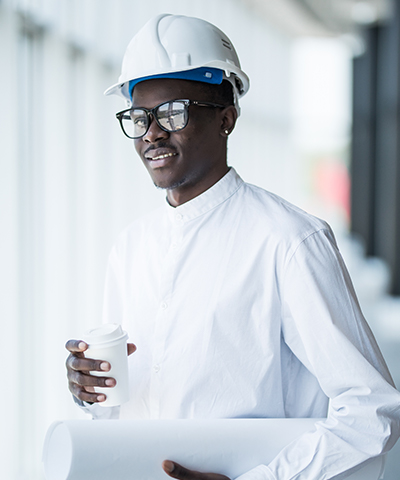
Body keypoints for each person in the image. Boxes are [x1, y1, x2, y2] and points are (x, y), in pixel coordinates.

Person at [65, 13, 400, 480]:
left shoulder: (289, 241)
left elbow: (373, 410)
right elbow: (131, 408)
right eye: (139, 118)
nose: (152, 133)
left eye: (173, 112)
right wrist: (92, 391)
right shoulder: (131, 247)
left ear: (226, 118)